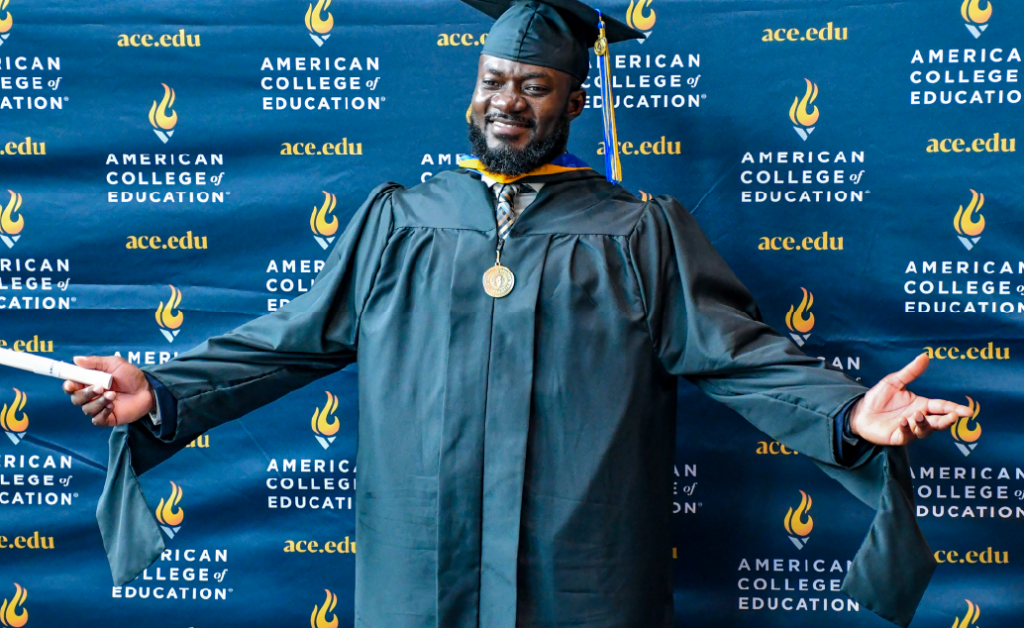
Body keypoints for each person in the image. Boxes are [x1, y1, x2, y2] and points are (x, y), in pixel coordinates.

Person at [66, 0, 970, 626]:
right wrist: (163, 392)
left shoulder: (637, 233)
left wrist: (850, 411)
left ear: (575, 101)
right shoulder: (400, 220)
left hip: (580, 565)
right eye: (494, 79)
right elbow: (290, 343)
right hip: (422, 562)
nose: (507, 101)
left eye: (534, 86)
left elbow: (738, 355)